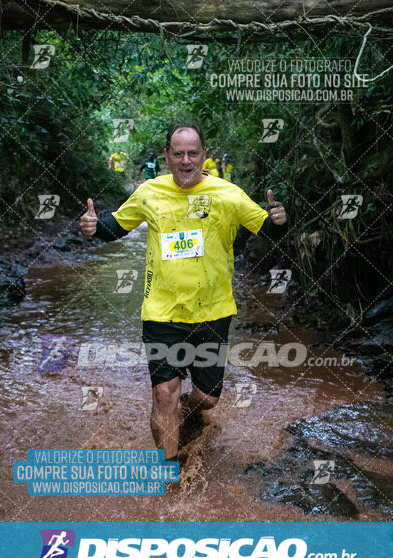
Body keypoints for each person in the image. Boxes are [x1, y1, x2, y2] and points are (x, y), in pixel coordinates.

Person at [80, 122, 287, 462]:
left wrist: (279, 220)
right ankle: (169, 474)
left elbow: (268, 228)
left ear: (204, 156)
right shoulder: (150, 192)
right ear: (167, 156)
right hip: (162, 312)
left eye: (193, 153)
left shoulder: (228, 194)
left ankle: (191, 414)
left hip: (213, 312)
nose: (186, 161)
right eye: (178, 154)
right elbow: (114, 228)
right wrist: (92, 227)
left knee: (207, 399)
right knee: (164, 395)